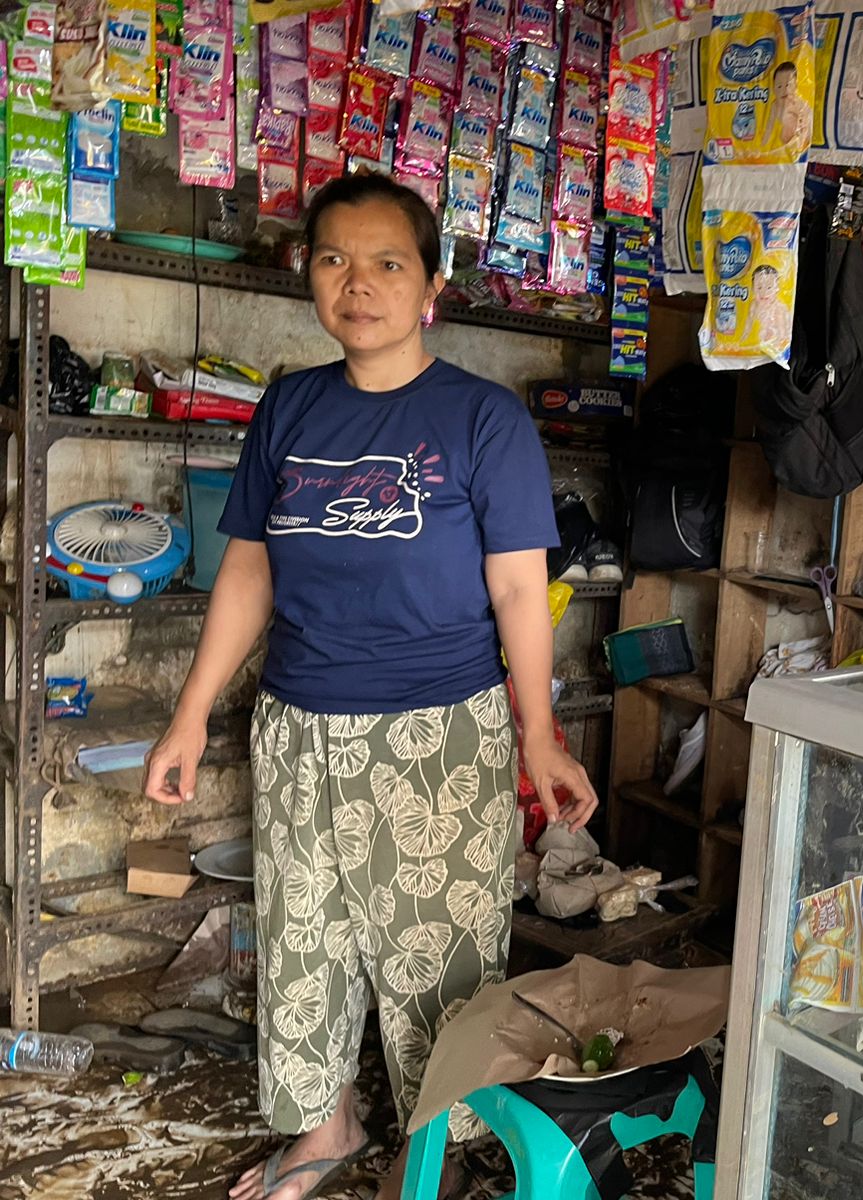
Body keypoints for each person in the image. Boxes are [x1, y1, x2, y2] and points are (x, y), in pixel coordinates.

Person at [142, 173, 599, 1200]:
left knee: (439, 961)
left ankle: (446, 1154)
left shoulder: (482, 419)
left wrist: (540, 735)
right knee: (306, 938)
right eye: (335, 258)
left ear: (430, 284)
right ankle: (325, 1130)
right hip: (299, 723)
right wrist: (188, 716)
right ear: (309, 276)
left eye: (389, 261)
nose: (360, 282)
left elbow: (522, 591)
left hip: (439, 729)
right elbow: (248, 567)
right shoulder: (292, 404)